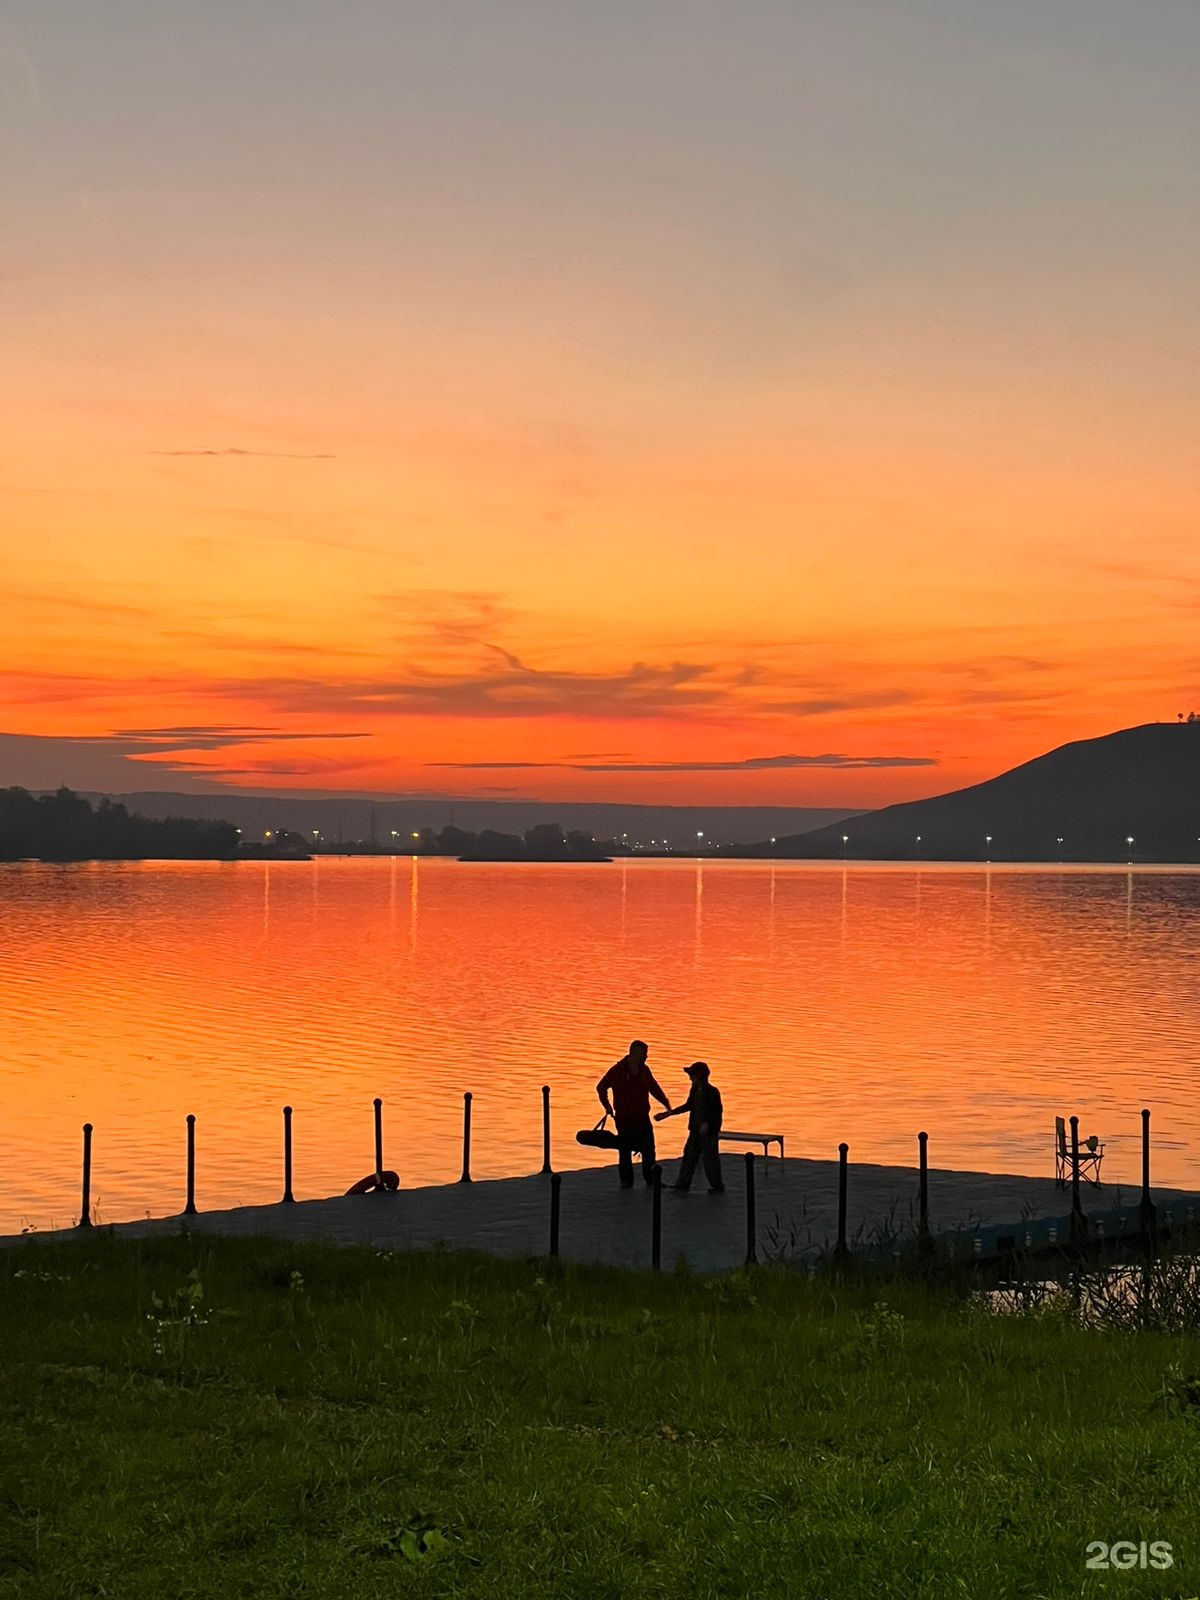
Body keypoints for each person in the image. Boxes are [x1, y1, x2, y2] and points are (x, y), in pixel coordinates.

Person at [596, 1039, 672, 1188]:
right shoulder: (617, 1070)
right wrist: (607, 1106)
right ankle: (626, 1182)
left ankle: (651, 1180)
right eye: (644, 1054)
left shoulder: (645, 1070)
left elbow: (654, 1088)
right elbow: (601, 1087)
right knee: (624, 1150)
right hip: (624, 1118)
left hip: (643, 1117)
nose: (646, 1057)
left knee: (649, 1149)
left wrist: (666, 1103)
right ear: (634, 1054)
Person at [655, 1061, 724, 1193]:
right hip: (694, 1131)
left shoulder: (712, 1092)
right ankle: (683, 1184)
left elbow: (717, 1113)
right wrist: (669, 1113)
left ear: (699, 1076)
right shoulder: (694, 1090)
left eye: (692, 1075)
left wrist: (708, 1125)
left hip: (708, 1134)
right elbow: (688, 1106)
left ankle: (717, 1186)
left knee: (710, 1160)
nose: (690, 1077)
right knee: (689, 1157)